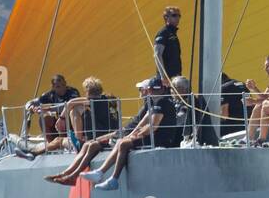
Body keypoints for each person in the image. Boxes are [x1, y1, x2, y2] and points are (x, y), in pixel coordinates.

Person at [46, 77, 180, 189]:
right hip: (122, 132)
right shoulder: (152, 103)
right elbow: (143, 122)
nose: (145, 92)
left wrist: (135, 135)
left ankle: (106, 176)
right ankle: (70, 175)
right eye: (146, 90)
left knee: (118, 143)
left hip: (148, 138)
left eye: (145, 90)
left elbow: (152, 126)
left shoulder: (160, 103)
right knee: (90, 144)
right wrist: (132, 133)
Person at [25, 77, 116, 155]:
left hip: (94, 140)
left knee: (59, 139)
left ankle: (33, 153)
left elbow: (70, 103)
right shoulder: (108, 99)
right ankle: (77, 138)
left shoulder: (90, 100)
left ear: (87, 91)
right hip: (111, 135)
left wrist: (61, 118)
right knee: (78, 108)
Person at [27, 74, 79, 143]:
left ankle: (65, 142)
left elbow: (68, 105)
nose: (62, 88)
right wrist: (31, 107)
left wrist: (49, 108)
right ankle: (51, 143)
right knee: (44, 118)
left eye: (63, 85)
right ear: (53, 87)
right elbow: (33, 102)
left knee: (63, 119)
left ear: (65, 83)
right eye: (58, 86)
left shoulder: (73, 92)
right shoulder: (50, 94)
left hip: (71, 122)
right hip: (57, 122)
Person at [154, 5, 184, 88]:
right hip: (167, 79)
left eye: (179, 16)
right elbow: (157, 55)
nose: (177, 18)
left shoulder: (172, 33)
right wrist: (163, 76)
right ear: (166, 17)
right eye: (174, 15)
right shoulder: (163, 33)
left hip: (175, 76)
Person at [219, 71, 246, 138]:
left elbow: (224, 115)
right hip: (248, 124)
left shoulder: (223, 88)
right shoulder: (242, 84)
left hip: (233, 127)